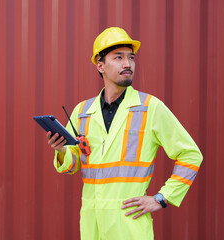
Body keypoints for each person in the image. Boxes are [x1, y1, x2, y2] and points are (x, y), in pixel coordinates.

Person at [46, 27, 203, 240]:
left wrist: (161, 198)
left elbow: (191, 154)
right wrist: (62, 149)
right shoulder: (82, 112)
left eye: (131, 57)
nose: (127, 64)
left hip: (129, 224)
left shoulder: (150, 107)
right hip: (92, 225)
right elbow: (72, 166)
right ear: (100, 65)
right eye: (118, 57)